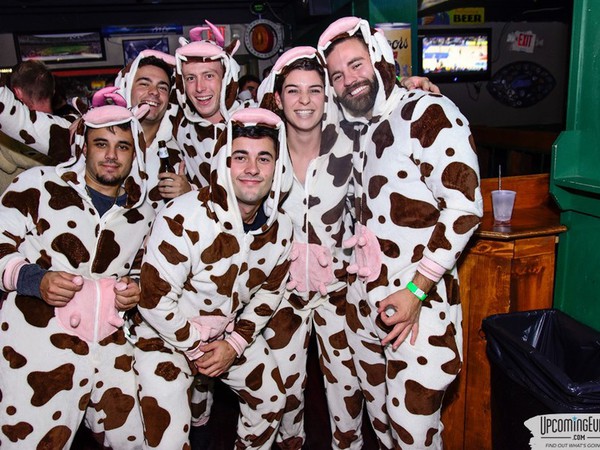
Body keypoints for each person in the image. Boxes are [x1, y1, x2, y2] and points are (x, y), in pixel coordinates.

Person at [318, 17, 483, 449]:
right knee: (383, 426)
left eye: (356, 65)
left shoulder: (428, 111)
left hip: (419, 310)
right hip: (365, 309)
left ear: (378, 59)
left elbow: (465, 208)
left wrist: (415, 290)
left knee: (413, 432)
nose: (349, 80)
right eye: (337, 75)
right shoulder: (356, 127)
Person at [133, 107, 293, 449]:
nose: (252, 169)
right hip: (164, 334)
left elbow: (269, 293)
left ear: (278, 167)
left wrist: (234, 345)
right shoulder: (183, 216)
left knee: (271, 399)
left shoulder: (281, 229)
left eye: (264, 158)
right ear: (224, 162)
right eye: (241, 157)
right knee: (166, 435)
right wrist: (195, 345)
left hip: (225, 333)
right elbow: (152, 300)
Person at [0, 103, 155, 449]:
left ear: (135, 154)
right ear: (84, 147)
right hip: (39, 348)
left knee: (136, 440)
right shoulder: (40, 185)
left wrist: (135, 289)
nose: (111, 155)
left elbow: (145, 272)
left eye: (123, 146)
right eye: (101, 144)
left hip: (112, 347)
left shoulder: (143, 212)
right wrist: (33, 279)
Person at [258, 46, 365, 450]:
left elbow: (386, 110)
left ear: (327, 96)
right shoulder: (263, 152)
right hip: (279, 294)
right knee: (284, 387)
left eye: (314, 90)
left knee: (347, 385)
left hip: (338, 291)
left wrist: (411, 85)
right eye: (293, 90)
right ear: (278, 97)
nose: (304, 100)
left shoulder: (351, 144)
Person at [0, 50, 188, 210]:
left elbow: (203, 203)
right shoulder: (88, 133)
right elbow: (19, 120)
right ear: (126, 87)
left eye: (162, 87)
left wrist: (188, 192)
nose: (154, 92)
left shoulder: (183, 147)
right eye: (144, 84)